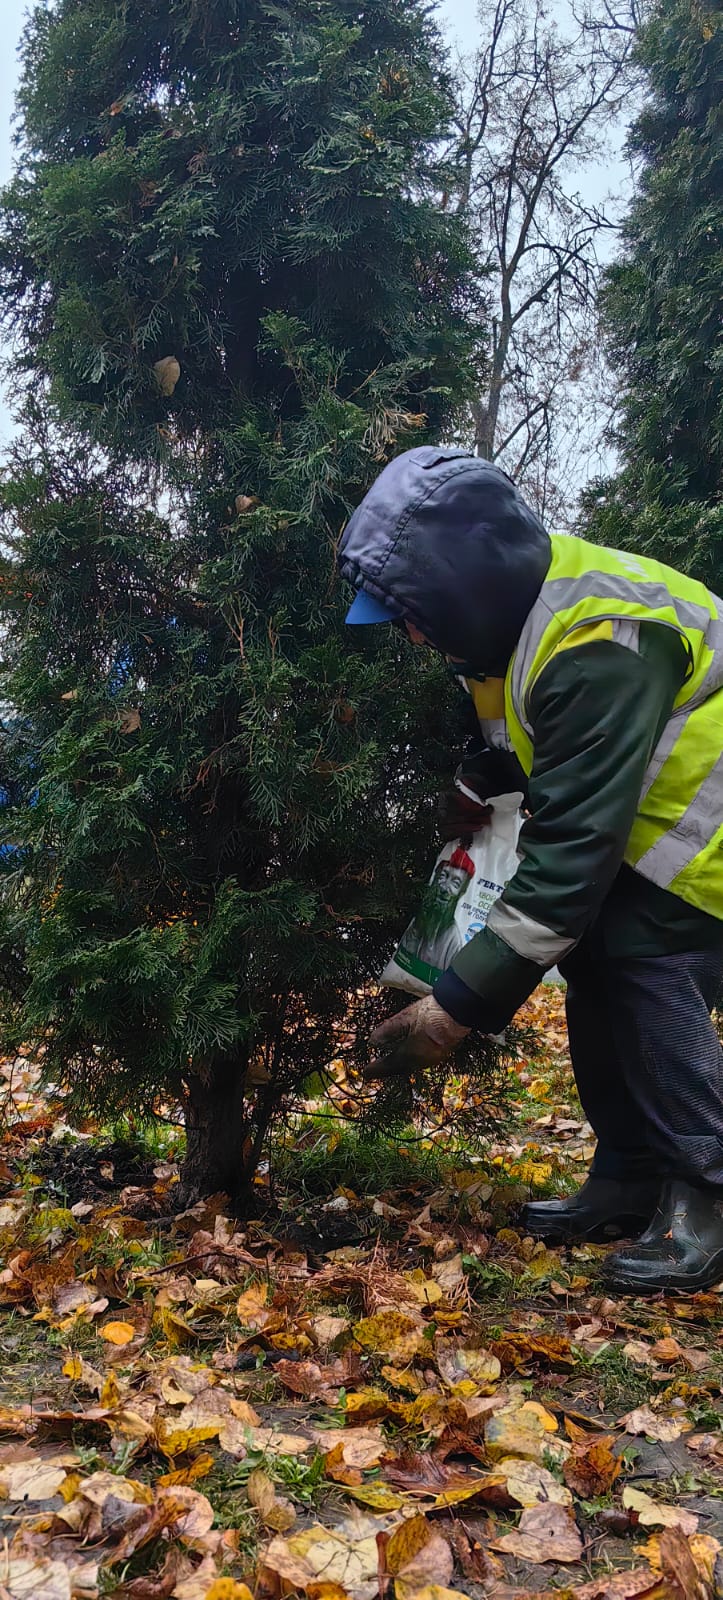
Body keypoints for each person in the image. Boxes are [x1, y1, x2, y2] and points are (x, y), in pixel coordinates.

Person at [338, 445, 723, 1294]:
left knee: (647, 972)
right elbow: (535, 752)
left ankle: (705, 1193)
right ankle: (625, 1176)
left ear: (464, 587)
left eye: (412, 613)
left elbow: (569, 856)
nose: (407, 633)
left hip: (702, 848)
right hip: (643, 834)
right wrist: (475, 782)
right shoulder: (512, 628)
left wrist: (454, 1010)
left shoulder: (597, 641)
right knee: (592, 966)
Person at [398, 847, 476, 977]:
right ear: (434, 878)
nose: (445, 887)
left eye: (455, 884)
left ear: (462, 892)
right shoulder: (418, 923)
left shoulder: (453, 941)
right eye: (443, 876)